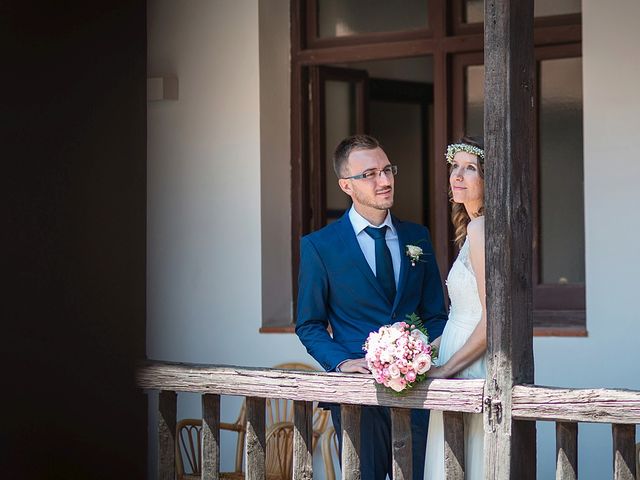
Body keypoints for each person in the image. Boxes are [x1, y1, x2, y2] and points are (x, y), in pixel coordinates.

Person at [295, 134, 448, 480]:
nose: (385, 180)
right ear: (346, 185)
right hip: (357, 396)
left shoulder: (417, 237)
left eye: (387, 170)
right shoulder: (320, 247)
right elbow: (309, 324)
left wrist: (424, 353)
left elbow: (436, 314)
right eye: (370, 174)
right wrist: (341, 361)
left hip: (418, 390)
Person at [424, 136, 487, 480]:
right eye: (455, 167)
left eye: (470, 168)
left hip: (470, 366)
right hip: (456, 351)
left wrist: (446, 369)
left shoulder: (481, 229)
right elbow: (464, 312)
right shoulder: (471, 229)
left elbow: (491, 321)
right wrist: (417, 351)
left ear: (488, 180)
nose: (457, 175)